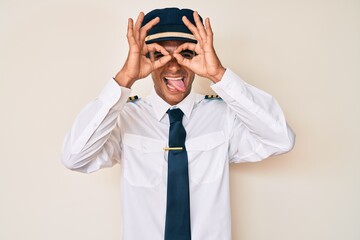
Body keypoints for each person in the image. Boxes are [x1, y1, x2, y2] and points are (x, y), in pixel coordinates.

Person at [61, 7, 295, 240]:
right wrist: (125, 78)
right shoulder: (124, 118)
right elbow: (75, 157)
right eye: (160, 54)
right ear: (146, 59)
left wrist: (219, 75)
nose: (173, 66)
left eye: (186, 54)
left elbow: (281, 139)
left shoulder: (224, 116)